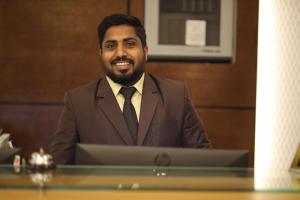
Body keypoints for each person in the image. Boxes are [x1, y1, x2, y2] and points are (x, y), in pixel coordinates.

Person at [51, 14, 212, 164]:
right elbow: (59, 167)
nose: (120, 53)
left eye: (130, 44)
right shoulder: (78, 101)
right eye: (111, 46)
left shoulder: (176, 95)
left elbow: (204, 161)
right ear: (101, 54)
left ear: (145, 51)